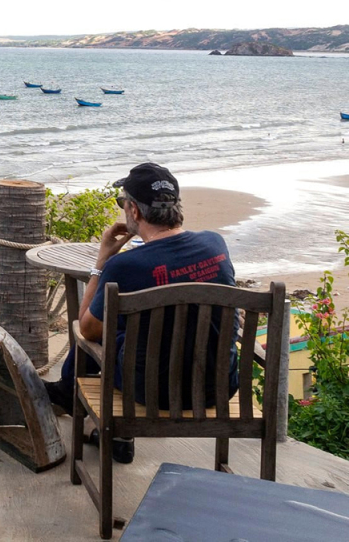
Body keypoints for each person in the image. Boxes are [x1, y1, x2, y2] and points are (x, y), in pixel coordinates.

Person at [41, 162, 239, 463]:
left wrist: (102, 262)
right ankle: (99, 422)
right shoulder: (215, 244)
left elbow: (87, 329)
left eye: (123, 202)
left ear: (134, 211)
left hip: (150, 391)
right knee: (142, 326)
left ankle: (70, 395)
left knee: (118, 328)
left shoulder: (124, 266)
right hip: (218, 386)